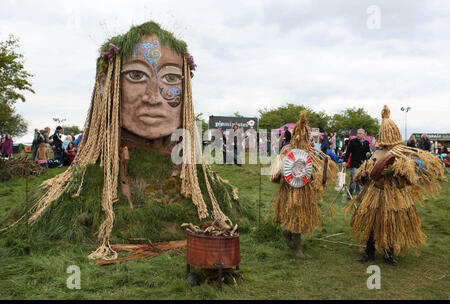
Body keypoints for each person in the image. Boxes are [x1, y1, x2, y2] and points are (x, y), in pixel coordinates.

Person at [16, 21, 233, 260]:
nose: (153, 97)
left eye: (171, 77)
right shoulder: (91, 177)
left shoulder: (193, 170)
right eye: (136, 75)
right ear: (104, 85)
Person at [345, 106, 444, 266]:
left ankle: (388, 254)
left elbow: (409, 178)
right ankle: (369, 253)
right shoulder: (376, 153)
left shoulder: (401, 154)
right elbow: (365, 177)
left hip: (392, 196)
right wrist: (363, 175)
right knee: (371, 224)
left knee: (390, 224)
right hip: (375, 194)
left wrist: (392, 172)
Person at [271, 111, 337, 259]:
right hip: (288, 191)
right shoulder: (286, 150)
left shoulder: (312, 153)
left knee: (299, 218)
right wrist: (278, 173)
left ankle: (297, 246)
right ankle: (290, 238)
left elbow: (316, 173)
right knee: (290, 216)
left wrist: (321, 179)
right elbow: (275, 174)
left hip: (305, 191)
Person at [343, 129, 371, 198]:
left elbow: (368, 153)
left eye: (360, 133)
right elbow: (348, 152)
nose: (358, 135)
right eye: (357, 133)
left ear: (364, 135)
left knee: (360, 179)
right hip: (354, 163)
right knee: (354, 179)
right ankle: (349, 194)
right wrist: (345, 161)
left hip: (362, 165)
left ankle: (359, 195)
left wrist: (369, 154)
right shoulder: (353, 141)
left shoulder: (366, 143)